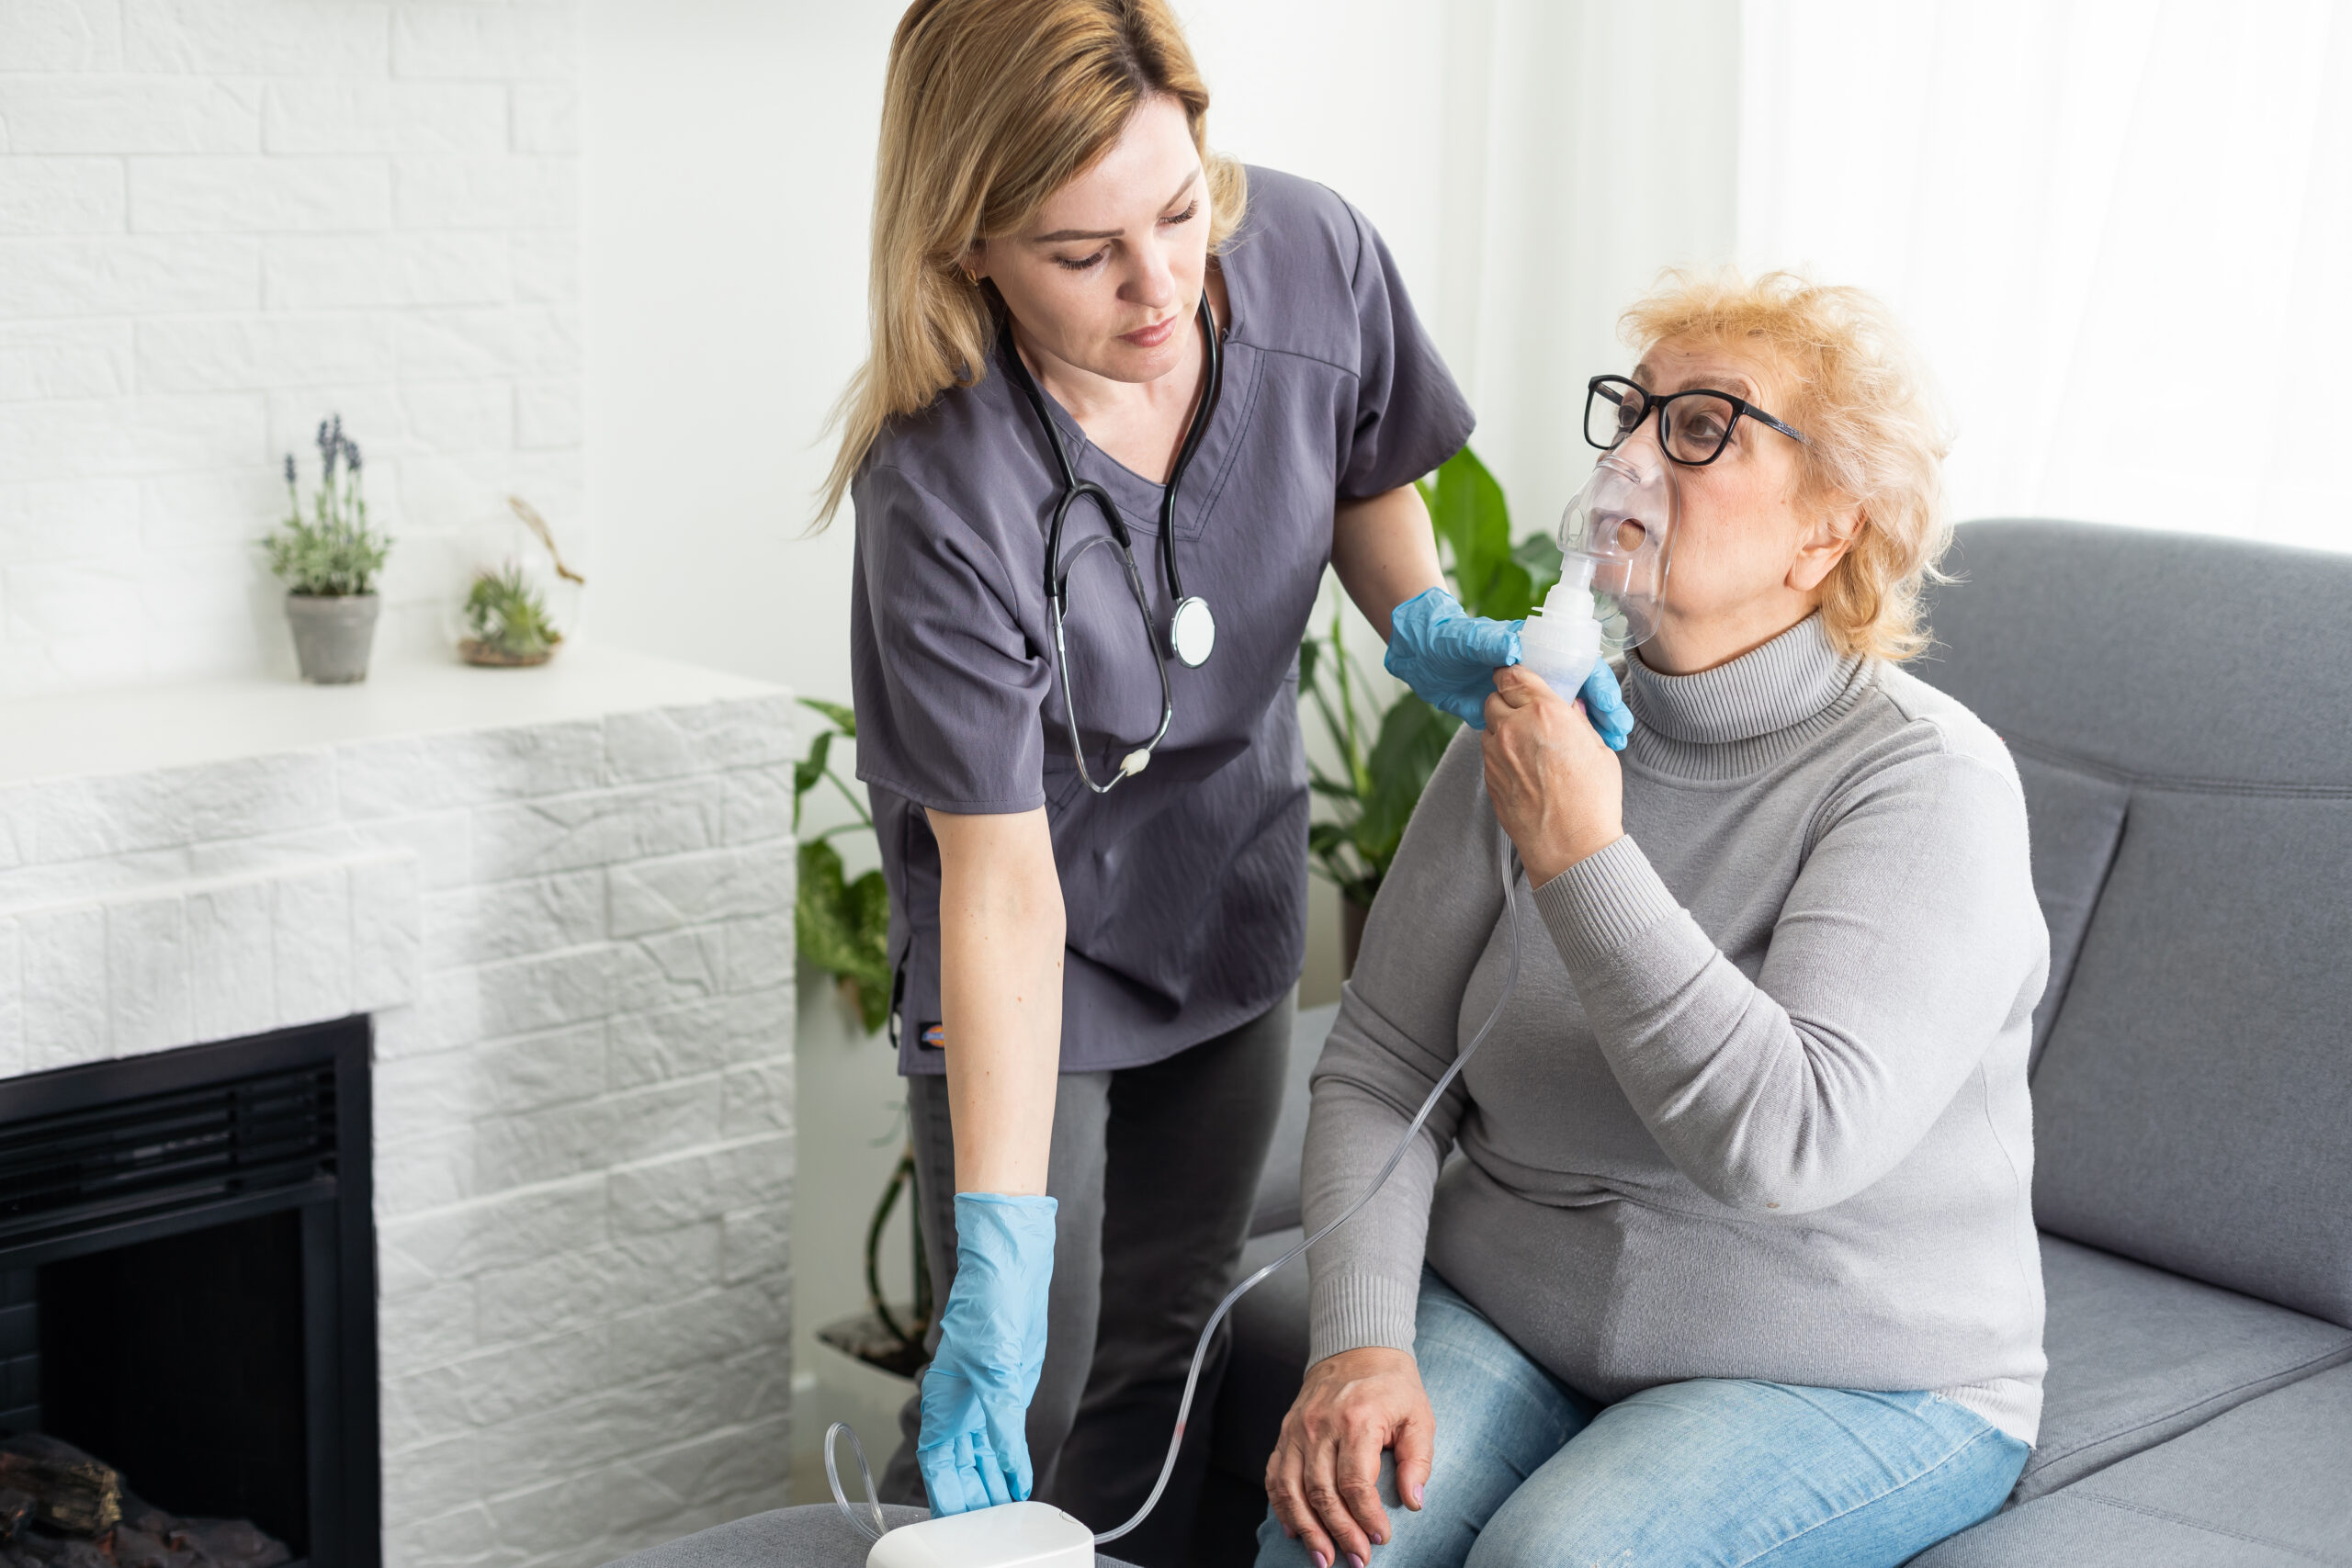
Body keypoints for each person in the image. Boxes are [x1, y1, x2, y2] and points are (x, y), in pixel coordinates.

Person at [826, 1, 1629, 1556]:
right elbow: (997, 883)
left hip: (1226, 897)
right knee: (1026, 1377)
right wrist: (994, 1252)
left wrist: (1438, 632)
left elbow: (1352, 473)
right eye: (1083, 253)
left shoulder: (1315, 254)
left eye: (1180, 210)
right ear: (966, 243)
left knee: (1166, 1362)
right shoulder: (941, 482)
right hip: (1028, 948)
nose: (1159, 287)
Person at [1258, 271, 2051, 1568]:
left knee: (1561, 1560)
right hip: (1521, 1310)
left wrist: (1584, 853)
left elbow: (1787, 1143)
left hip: (1844, 1366)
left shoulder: (1924, 785)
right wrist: (1359, 1344)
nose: (1630, 459)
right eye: (1632, 414)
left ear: (1826, 531)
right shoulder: (1532, 720)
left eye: (1700, 428)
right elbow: (1384, 1063)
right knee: (1333, 1544)